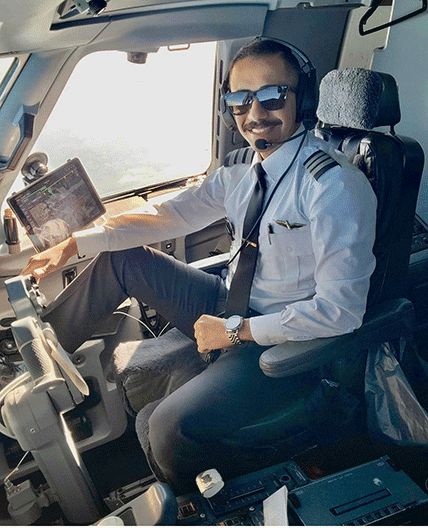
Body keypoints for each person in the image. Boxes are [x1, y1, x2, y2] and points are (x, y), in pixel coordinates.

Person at [22, 39, 377, 492]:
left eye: (272, 96)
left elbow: (342, 311)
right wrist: (76, 242)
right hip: (226, 301)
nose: (254, 114)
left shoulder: (333, 187)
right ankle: (38, 368)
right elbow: (169, 215)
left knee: (167, 429)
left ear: (300, 99)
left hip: (278, 337)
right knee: (121, 261)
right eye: (239, 99)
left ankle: (207, 502)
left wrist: (236, 332)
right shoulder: (241, 169)